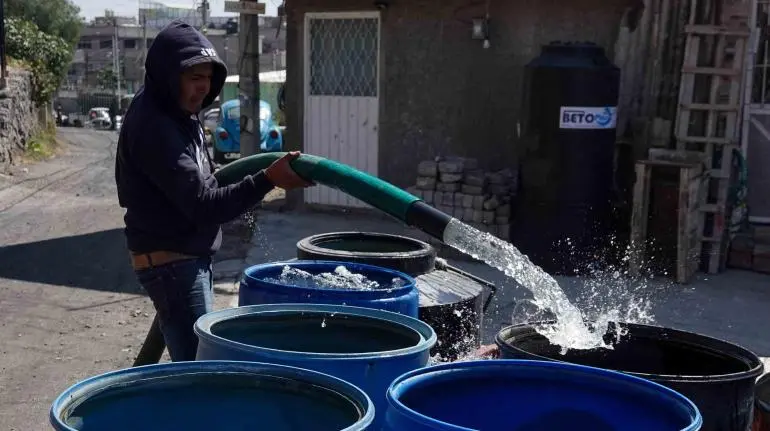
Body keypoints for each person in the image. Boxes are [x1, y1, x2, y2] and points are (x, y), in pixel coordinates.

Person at [115, 20, 311, 362]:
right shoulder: (156, 127)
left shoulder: (177, 111)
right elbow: (204, 204)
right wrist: (268, 179)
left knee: (191, 365)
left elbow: (203, 182)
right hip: (174, 265)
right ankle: (138, 414)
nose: (203, 88)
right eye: (194, 78)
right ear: (168, 76)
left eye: (208, 79)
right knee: (202, 372)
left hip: (183, 260)